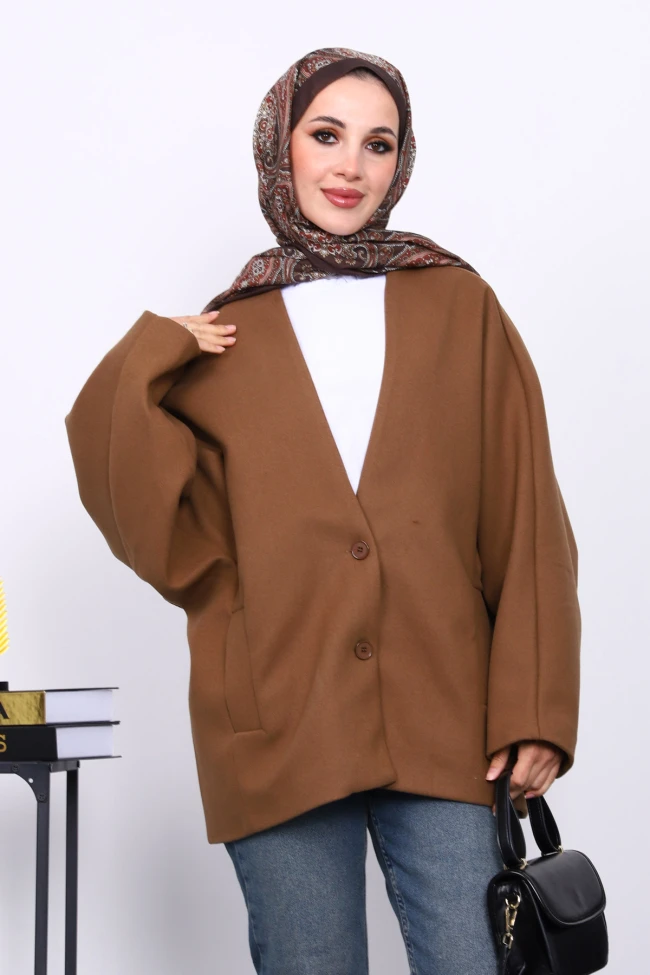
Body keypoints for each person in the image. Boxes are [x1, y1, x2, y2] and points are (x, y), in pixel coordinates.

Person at [65, 46, 581, 975]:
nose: (351, 166)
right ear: (281, 145)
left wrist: (536, 706)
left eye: (378, 143)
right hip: (278, 724)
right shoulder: (226, 333)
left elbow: (527, 515)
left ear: (401, 162)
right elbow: (150, 527)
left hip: (447, 715)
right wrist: (146, 354)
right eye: (327, 134)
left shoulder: (461, 306)